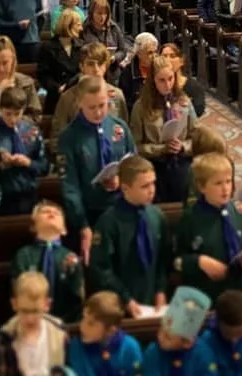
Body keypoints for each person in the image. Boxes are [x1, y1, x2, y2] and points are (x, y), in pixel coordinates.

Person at [57, 77, 136, 261]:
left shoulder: (119, 128)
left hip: (121, 209)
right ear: (79, 103)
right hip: (90, 213)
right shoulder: (69, 138)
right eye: (92, 108)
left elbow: (134, 164)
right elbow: (70, 187)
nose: (99, 112)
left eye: (103, 105)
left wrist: (122, 180)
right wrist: (83, 225)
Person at [173, 153, 242, 303]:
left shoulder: (241, 212)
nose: (226, 188)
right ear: (202, 187)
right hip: (206, 295)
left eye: (228, 181)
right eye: (218, 183)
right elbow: (176, 260)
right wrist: (199, 262)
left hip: (239, 293)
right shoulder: (190, 219)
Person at [89, 155, 171, 315]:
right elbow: (101, 269)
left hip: (152, 301)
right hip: (119, 304)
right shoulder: (109, 222)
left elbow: (164, 258)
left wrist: (161, 290)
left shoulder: (157, 216)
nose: (152, 190)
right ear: (125, 188)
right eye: (145, 186)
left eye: (153, 183)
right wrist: (125, 299)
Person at [0, 272, 79, 376]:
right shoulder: (5, 337)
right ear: (14, 304)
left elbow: (70, 373)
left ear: (47, 305)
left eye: (35, 311)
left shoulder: (59, 332)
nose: (30, 318)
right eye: (24, 311)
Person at [64, 292, 145, 376]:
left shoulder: (130, 348)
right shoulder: (77, 346)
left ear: (110, 330)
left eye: (91, 324)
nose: (82, 327)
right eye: (83, 318)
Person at [128, 54, 196, 203]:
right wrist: (161, 149)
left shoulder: (184, 102)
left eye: (170, 78)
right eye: (162, 80)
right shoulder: (141, 107)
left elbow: (196, 138)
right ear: (153, 81)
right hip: (154, 166)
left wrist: (183, 146)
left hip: (181, 162)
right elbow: (135, 147)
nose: (167, 85)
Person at [142, 286, 219, 376]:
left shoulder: (203, 354)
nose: (160, 337)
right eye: (161, 330)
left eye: (167, 337)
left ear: (187, 343)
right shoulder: (153, 352)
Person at [11, 202, 84, 323]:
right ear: (33, 226)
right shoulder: (23, 255)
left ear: (64, 230)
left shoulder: (71, 258)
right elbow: (18, 290)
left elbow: (77, 298)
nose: (51, 213)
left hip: (65, 322)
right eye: (45, 212)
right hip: (29, 318)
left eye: (57, 213)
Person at [0, 87, 48, 217]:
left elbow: (44, 166)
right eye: (8, 114)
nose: (12, 119)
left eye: (17, 114)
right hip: (2, 196)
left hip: (29, 193)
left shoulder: (32, 132)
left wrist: (28, 163)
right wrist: (0, 165)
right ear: (0, 109)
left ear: (23, 110)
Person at [51, 43, 128, 143]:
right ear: (82, 67)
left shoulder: (117, 95)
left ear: (106, 66)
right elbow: (58, 138)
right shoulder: (68, 98)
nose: (96, 69)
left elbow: (124, 132)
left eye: (100, 64)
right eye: (90, 64)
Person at [38, 10, 84, 116]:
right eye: (78, 25)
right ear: (68, 25)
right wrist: (57, 87)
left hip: (77, 96)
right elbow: (43, 75)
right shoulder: (47, 47)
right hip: (56, 98)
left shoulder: (81, 46)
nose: (81, 28)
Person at [81, 0, 133, 81]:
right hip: (93, 74)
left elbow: (123, 50)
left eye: (105, 13)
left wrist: (114, 57)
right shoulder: (84, 29)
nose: (103, 17)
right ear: (91, 13)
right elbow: (81, 53)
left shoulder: (114, 27)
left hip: (112, 74)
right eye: (99, 13)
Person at [119, 31, 158, 113]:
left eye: (155, 52)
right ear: (139, 54)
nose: (154, 56)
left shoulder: (159, 69)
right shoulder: (127, 74)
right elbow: (124, 105)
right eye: (150, 53)